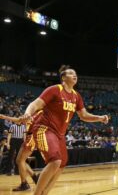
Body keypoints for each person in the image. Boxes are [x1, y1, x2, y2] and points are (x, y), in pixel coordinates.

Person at [20, 65, 109, 195]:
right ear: (63, 77)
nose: (75, 75)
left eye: (76, 74)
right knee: (55, 161)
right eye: (71, 73)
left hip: (60, 134)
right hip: (44, 129)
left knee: (61, 164)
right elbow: (35, 104)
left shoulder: (76, 96)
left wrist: (99, 118)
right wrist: (28, 113)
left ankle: (45, 193)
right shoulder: (55, 90)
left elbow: (83, 115)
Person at [0, 113, 41, 191]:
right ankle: (34, 177)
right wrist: (5, 117)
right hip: (29, 139)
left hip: (31, 139)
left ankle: (24, 184)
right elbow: (19, 120)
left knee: (20, 160)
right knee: (19, 160)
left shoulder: (36, 115)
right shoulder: (34, 115)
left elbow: (19, 120)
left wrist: (5, 117)